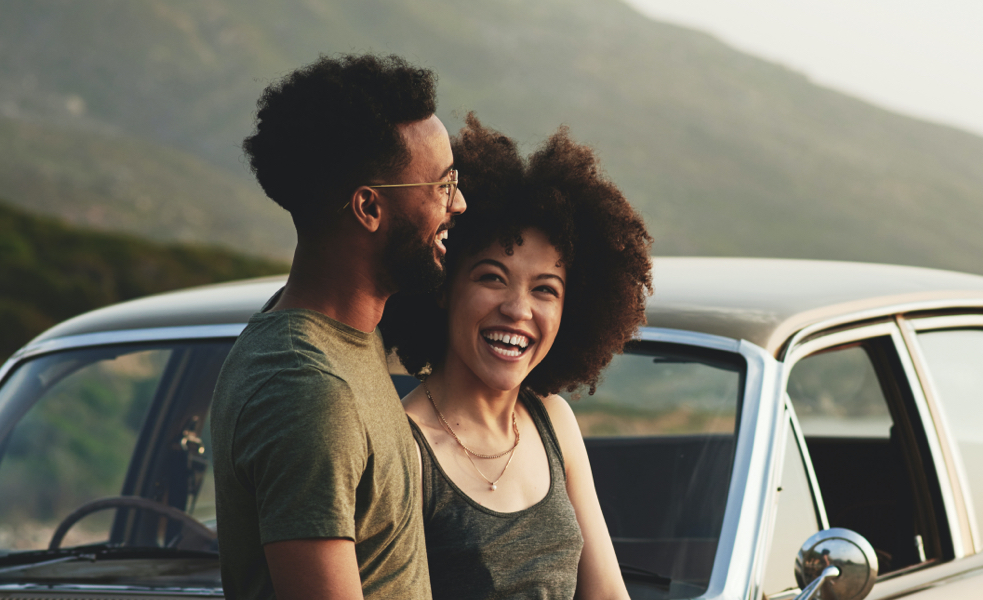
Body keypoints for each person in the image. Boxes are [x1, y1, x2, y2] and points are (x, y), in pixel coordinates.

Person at [209, 54, 464, 600]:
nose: (458, 204)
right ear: (370, 208)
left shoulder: (343, 338)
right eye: (443, 187)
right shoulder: (306, 390)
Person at [381, 115, 652, 600]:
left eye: (545, 289)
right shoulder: (403, 448)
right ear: (444, 286)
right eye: (492, 277)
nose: (518, 309)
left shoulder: (553, 421)